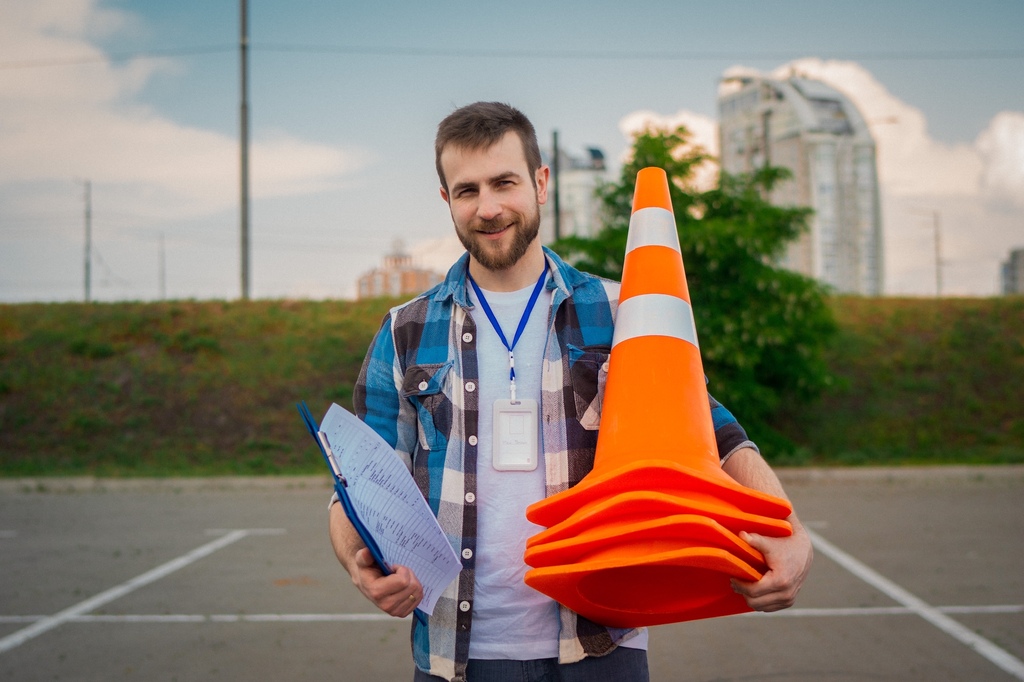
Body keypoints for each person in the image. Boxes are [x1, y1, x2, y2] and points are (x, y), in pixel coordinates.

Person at [329, 101, 813, 682]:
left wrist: (787, 529)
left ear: (540, 182)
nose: (488, 208)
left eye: (504, 182)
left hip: (600, 644)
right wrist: (359, 565)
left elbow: (712, 429)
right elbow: (358, 481)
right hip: (453, 655)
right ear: (446, 200)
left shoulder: (620, 310)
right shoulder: (404, 329)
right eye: (467, 190)